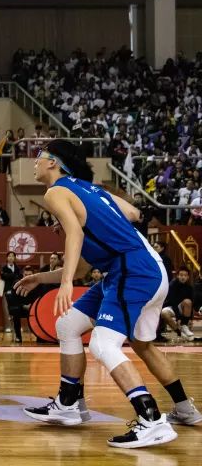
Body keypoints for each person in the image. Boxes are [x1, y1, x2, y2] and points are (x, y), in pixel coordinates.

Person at [15, 139, 201, 448]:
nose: (35, 162)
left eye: (39, 156)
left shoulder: (55, 192)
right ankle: (72, 404)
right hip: (142, 268)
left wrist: (65, 283)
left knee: (103, 344)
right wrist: (43, 277)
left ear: (53, 162)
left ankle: (151, 421)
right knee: (73, 327)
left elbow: (75, 234)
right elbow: (133, 213)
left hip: (133, 271)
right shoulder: (92, 191)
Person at [0, 252, 23, 342]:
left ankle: (17, 328)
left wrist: (10, 276)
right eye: (9, 256)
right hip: (6, 291)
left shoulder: (17, 268)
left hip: (16, 291)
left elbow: (19, 277)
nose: (11, 258)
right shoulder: (4, 268)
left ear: (15, 258)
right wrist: (13, 276)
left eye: (12, 256)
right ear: (7, 258)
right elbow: (3, 276)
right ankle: (8, 327)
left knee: (16, 310)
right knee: (6, 309)